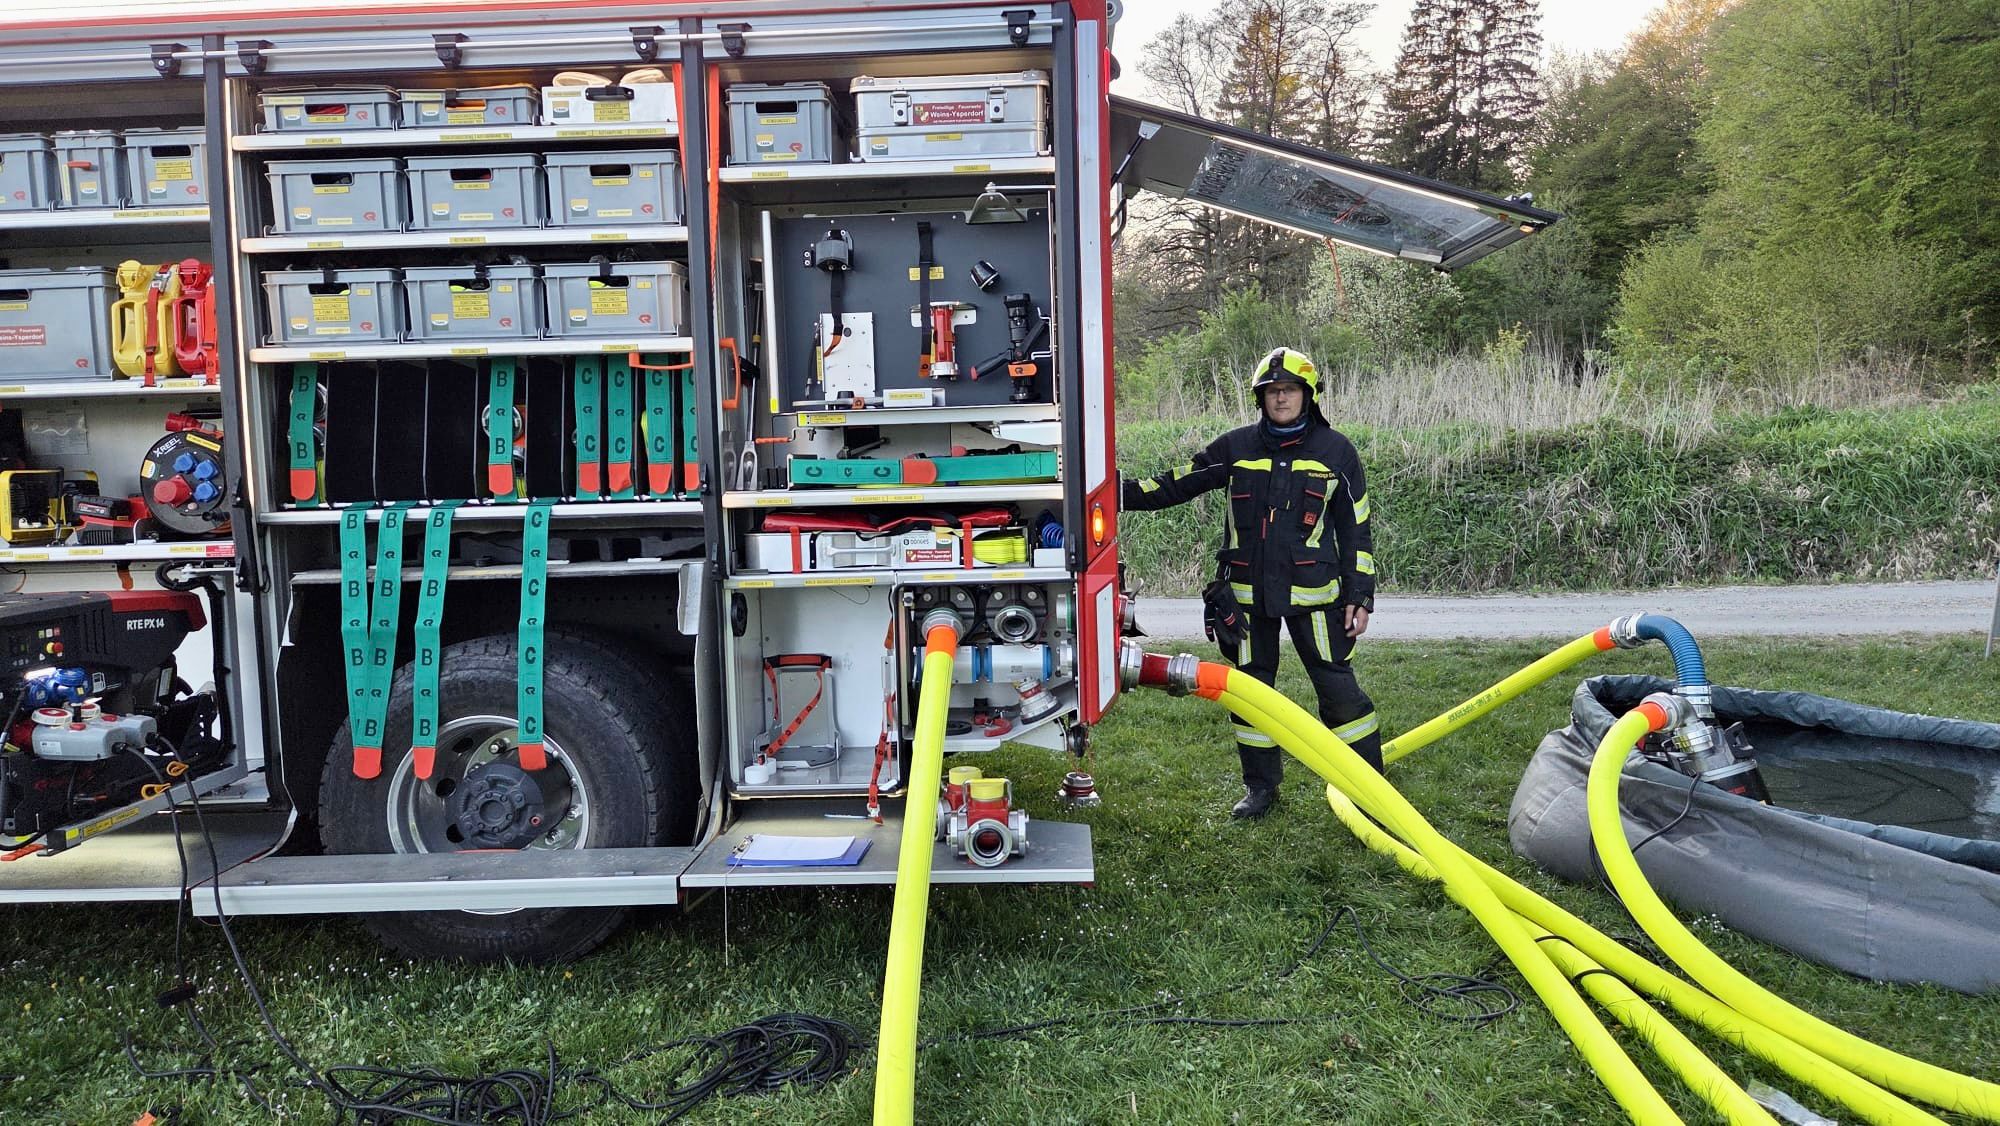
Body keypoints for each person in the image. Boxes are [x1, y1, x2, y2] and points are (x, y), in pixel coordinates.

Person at [1120, 347, 1382, 818]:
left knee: (1339, 692)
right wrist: (1110, 494)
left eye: (1290, 390)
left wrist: (1360, 594)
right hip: (1246, 598)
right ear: (1260, 398)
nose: (1281, 398)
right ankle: (1261, 789)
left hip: (1316, 598)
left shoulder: (1337, 452)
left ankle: (1370, 789)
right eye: (1272, 391)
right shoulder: (1236, 448)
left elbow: (1356, 529)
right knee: (1250, 694)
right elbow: (1178, 483)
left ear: (1308, 395)